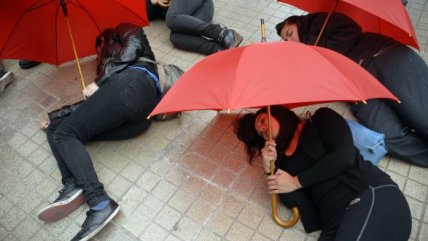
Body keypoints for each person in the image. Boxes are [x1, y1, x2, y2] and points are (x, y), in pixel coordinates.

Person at [38, 23, 161, 241]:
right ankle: (73, 183)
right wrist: (56, 114)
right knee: (58, 130)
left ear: (104, 40)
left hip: (136, 84)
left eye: (100, 50)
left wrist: (100, 82)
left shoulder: (126, 30)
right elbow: (94, 107)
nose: (99, 55)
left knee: (65, 134)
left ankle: (99, 201)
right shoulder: (107, 70)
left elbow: (133, 50)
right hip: (135, 120)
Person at [234, 105, 411, 241]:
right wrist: (269, 167)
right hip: (337, 223)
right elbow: (296, 202)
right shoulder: (282, 163)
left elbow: (344, 156)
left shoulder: (320, 119)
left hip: (370, 194)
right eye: (260, 132)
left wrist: (296, 181)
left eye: (263, 121)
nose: (263, 129)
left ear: (278, 113)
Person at [275, 12, 428, 167]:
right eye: (286, 40)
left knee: (421, 116)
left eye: (290, 33)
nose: (290, 40)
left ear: (298, 22)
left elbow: (351, 31)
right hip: (358, 90)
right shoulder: (305, 56)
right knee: (388, 136)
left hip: (380, 57)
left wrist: (313, 48)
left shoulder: (321, 20)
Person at [146, 0, 243, 55]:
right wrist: (152, 2)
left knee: (171, 17)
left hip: (202, 5)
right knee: (176, 38)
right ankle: (221, 51)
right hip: (187, 18)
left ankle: (223, 33)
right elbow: (148, 16)